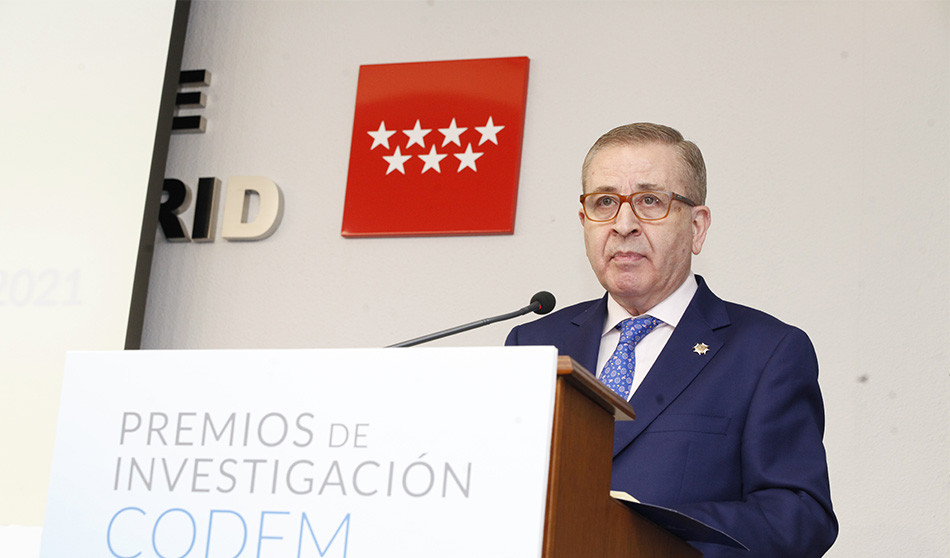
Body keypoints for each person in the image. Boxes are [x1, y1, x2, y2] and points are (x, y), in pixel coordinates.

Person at [506, 123, 837, 557]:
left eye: (650, 201)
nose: (624, 224)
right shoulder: (533, 343)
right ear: (585, 221)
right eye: (605, 202)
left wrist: (647, 529)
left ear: (697, 227)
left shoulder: (766, 353)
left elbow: (799, 517)